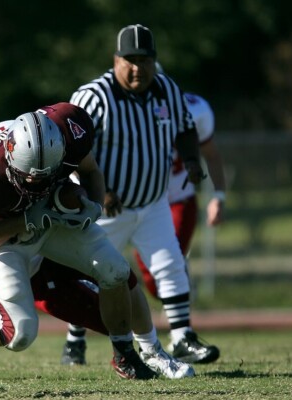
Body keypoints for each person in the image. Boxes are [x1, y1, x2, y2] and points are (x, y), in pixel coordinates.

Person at [0, 113, 194, 379]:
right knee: (19, 333)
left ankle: (151, 351)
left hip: (48, 224)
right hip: (8, 248)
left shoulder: (12, 137)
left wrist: (77, 198)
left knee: (118, 273)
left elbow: (64, 169)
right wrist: (26, 221)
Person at [69, 24, 220, 365]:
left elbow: (184, 128)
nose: (138, 68)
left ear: (155, 61)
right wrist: (99, 191)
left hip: (153, 202)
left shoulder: (166, 87)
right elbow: (72, 148)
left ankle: (182, 337)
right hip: (106, 207)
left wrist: (193, 160)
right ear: (116, 60)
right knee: (91, 273)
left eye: (145, 60)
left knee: (170, 265)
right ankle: (74, 341)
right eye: (130, 60)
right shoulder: (95, 96)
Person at [134, 66, 227, 299]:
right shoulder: (117, 110)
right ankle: (178, 299)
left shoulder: (194, 110)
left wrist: (219, 197)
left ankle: (181, 323)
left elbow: (211, 155)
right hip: (140, 203)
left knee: (167, 262)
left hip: (178, 198)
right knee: (151, 279)